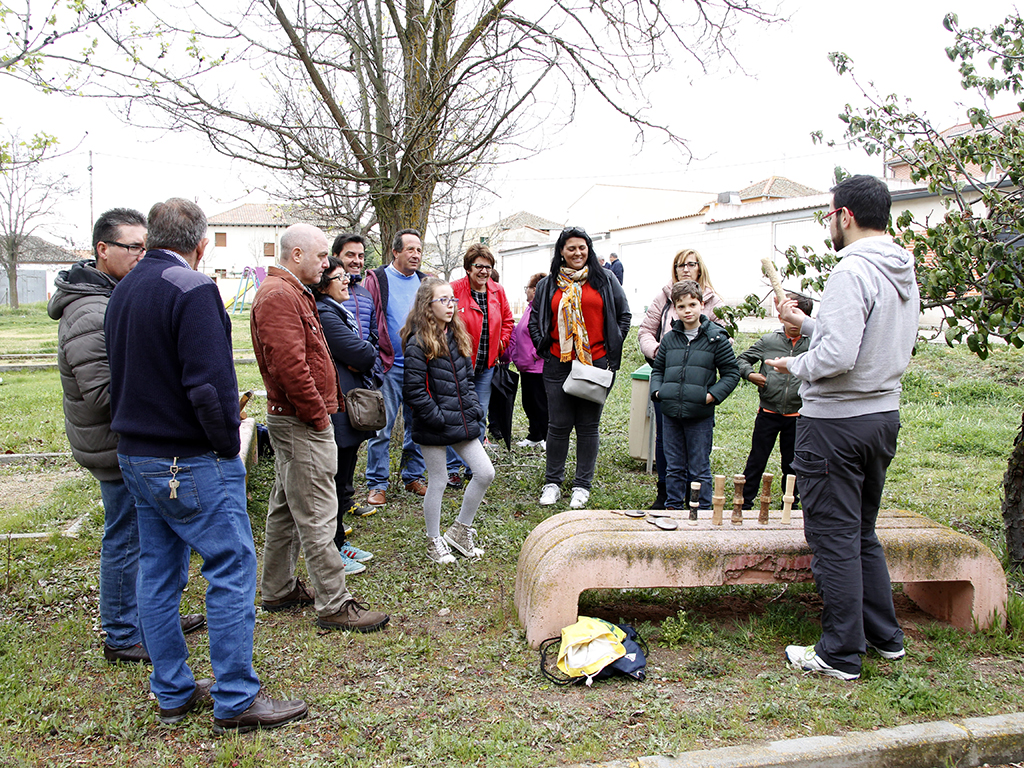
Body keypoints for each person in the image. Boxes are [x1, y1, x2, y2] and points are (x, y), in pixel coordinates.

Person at [106, 198, 306, 732]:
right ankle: (236, 698)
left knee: (157, 572)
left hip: (135, 455)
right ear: (200, 244)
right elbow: (208, 385)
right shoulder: (193, 289)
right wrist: (225, 444)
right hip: (186, 458)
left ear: (153, 237)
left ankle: (171, 690)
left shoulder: (123, 288)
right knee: (232, 567)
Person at [766, 174, 919, 681]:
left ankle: (839, 653)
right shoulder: (900, 267)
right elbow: (865, 335)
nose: (829, 224)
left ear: (845, 216)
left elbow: (837, 356)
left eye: (830, 215)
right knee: (861, 533)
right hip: (881, 418)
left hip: (836, 425)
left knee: (833, 538)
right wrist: (806, 324)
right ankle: (884, 637)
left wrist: (794, 363)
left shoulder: (851, 269)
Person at [49, 208, 205, 664]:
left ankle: (156, 617)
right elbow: (102, 394)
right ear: (103, 249)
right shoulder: (89, 310)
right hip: (114, 444)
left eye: (145, 245)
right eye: (133, 246)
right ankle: (121, 632)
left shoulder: (114, 295)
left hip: (134, 440)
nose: (142, 254)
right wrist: (166, 395)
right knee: (127, 538)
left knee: (156, 536)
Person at [251, 222, 389, 634]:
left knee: (285, 507)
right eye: (320, 256)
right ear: (296, 255)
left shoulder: (292, 292)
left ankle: (277, 588)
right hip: (300, 420)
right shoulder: (279, 296)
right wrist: (317, 415)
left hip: (299, 418)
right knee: (317, 512)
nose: (326, 263)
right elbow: (289, 367)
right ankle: (334, 603)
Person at [528, 226, 631, 509]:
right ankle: (552, 483)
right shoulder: (549, 284)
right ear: (561, 251)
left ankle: (582, 486)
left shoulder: (605, 279)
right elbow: (535, 320)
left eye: (582, 247)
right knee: (557, 425)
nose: (577, 253)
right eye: (571, 248)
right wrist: (543, 348)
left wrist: (610, 348)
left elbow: (624, 315)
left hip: (595, 363)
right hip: (558, 363)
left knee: (588, 427)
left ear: (589, 250)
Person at [402, 278, 496, 563]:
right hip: (433, 424)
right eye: (442, 300)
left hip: (462, 421)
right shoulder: (417, 343)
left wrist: (474, 410)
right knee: (439, 480)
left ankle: (459, 531)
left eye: (452, 299)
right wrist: (438, 418)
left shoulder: (457, 336)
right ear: (427, 306)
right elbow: (414, 391)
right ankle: (434, 541)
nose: (450, 305)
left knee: (485, 473)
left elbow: (467, 380)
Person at [638, 248, 724, 509]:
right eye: (680, 265)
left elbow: (726, 341)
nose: (685, 269)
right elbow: (646, 330)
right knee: (666, 443)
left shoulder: (713, 300)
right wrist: (659, 353)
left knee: (697, 453)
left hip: (698, 389)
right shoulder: (663, 297)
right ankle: (668, 496)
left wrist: (711, 392)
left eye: (691, 264)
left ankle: (696, 501)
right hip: (669, 383)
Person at [313, 257, 379, 575]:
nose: (347, 282)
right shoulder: (326, 314)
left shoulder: (339, 312)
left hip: (347, 405)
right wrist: (363, 353)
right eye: (339, 277)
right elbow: (362, 353)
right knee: (336, 482)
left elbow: (365, 351)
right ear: (324, 284)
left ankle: (340, 542)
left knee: (344, 480)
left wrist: (363, 353)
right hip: (338, 408)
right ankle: (333, 550)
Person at [648, 280, 739, 511]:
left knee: (699, 468)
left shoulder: (716, 338)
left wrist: (710, 396)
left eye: (692, 305)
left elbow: (731, 373)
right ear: (675, 308)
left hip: (700, 415)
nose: (687, 311)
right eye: (681, 306)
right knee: (673, 467)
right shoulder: (669, 339)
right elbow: (658, 370)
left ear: (702, 305)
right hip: (671, 414)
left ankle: (703, 512)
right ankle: (673, 509)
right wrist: (658, 392)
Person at [362, 229, 429, 505]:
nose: (416, 255)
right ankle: (377, 484)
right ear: (395, 252)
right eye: (410, 249)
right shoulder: (377, 280)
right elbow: (367, 319)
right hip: (388, 366)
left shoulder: (425, 283)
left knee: (418, 426)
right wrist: (374, 358)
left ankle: (413, 476)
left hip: (419, 366)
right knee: (382, 428)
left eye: (419, 250)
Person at [736, 291, 812, 510]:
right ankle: (744, 503)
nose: (793, 323)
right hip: (768, 413)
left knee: (793, 463)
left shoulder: (814, 343)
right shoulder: (769, 341)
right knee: (757, 459)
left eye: (799, 317)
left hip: (798, 415)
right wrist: (751, 374)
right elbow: (741, 360)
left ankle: (791, 505)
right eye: (789, 317)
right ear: (781, 317)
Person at [446, 243, 514, 487]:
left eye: (488, 266)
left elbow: (507, 321)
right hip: (458, 367)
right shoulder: (455, 289)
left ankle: (472, 467)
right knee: (456, 415)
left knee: (479, 414)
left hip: (486, 366)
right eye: (479, 266)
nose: (484, 271)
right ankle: (452, 468)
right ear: (468, 268)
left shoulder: (498, 291)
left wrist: (500, 344)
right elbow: (443, 321)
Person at [331, 232, 378, 519]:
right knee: (340, 442)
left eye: (361, 255)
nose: (357, 261)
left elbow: (373, 332)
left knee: (356, 438)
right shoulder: (328, 295)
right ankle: (335, 506)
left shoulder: (364, 293)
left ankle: (347, 498)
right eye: (350, 255)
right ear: (336, 256)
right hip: (339, 377)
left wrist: (370, 365)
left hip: (363, 374)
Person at [507, 272, 549, 448]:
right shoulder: (529, 308)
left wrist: (535, 354)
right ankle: (535, 434)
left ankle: (547, 437)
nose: (526, 291)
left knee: (540, 403)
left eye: (528, 287)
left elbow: (546, 335)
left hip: (537, 366)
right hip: (525, 366)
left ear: (536, 290)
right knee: (529, 403)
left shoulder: (543, 310)